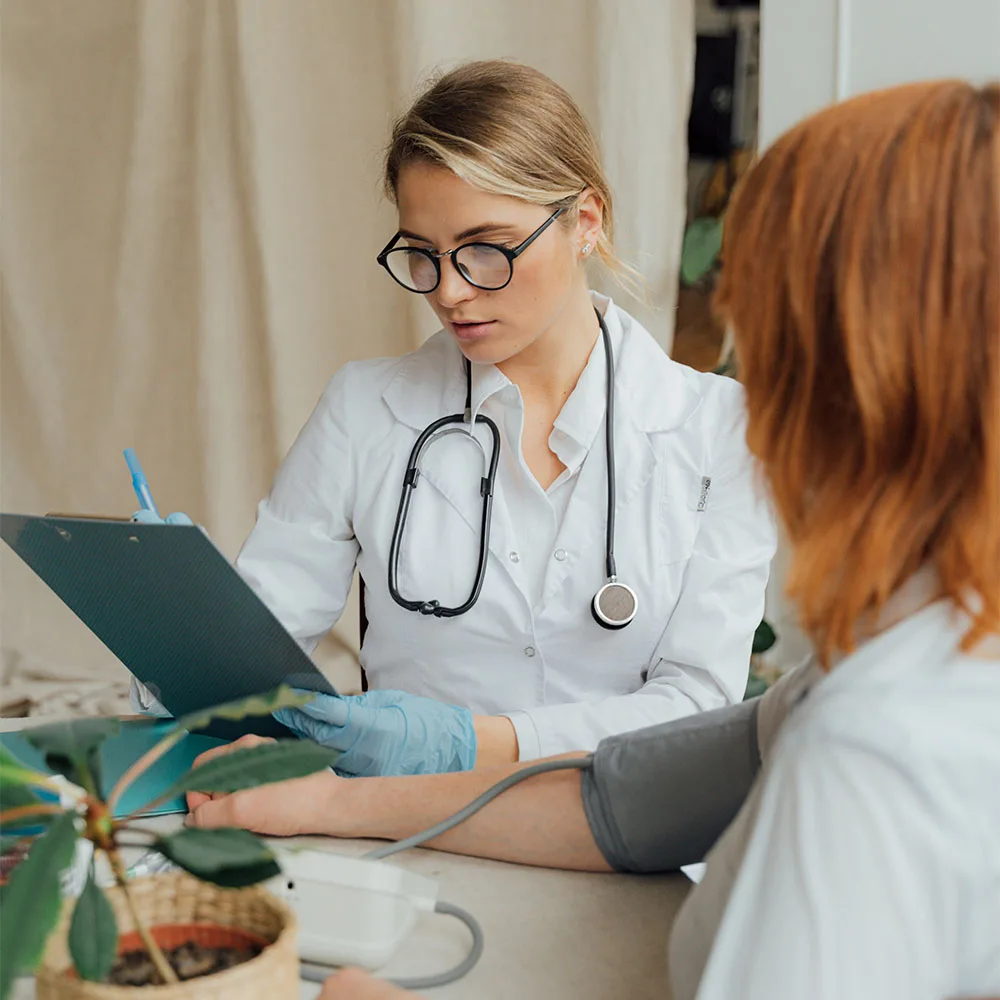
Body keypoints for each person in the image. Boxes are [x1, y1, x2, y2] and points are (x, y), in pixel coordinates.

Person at [186, 79, 1000, 1000]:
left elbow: (686, 723)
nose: (451, 291)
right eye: (424, 256)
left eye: (765, 340)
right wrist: (335, 798)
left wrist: (458, 744)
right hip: (414, 853)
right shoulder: (874, 673)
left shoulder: (872, 748)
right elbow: (629, 801)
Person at [132, 59, 775, 775]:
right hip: (405, 829)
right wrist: (178, 625)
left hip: (617, 837)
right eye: (423, 255)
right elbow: (241, 675)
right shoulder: (365, 410)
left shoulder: (718, 429)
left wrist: (479, 744)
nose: (451, 291)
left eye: (485, 249)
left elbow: (698, 704)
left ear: (584, 222)